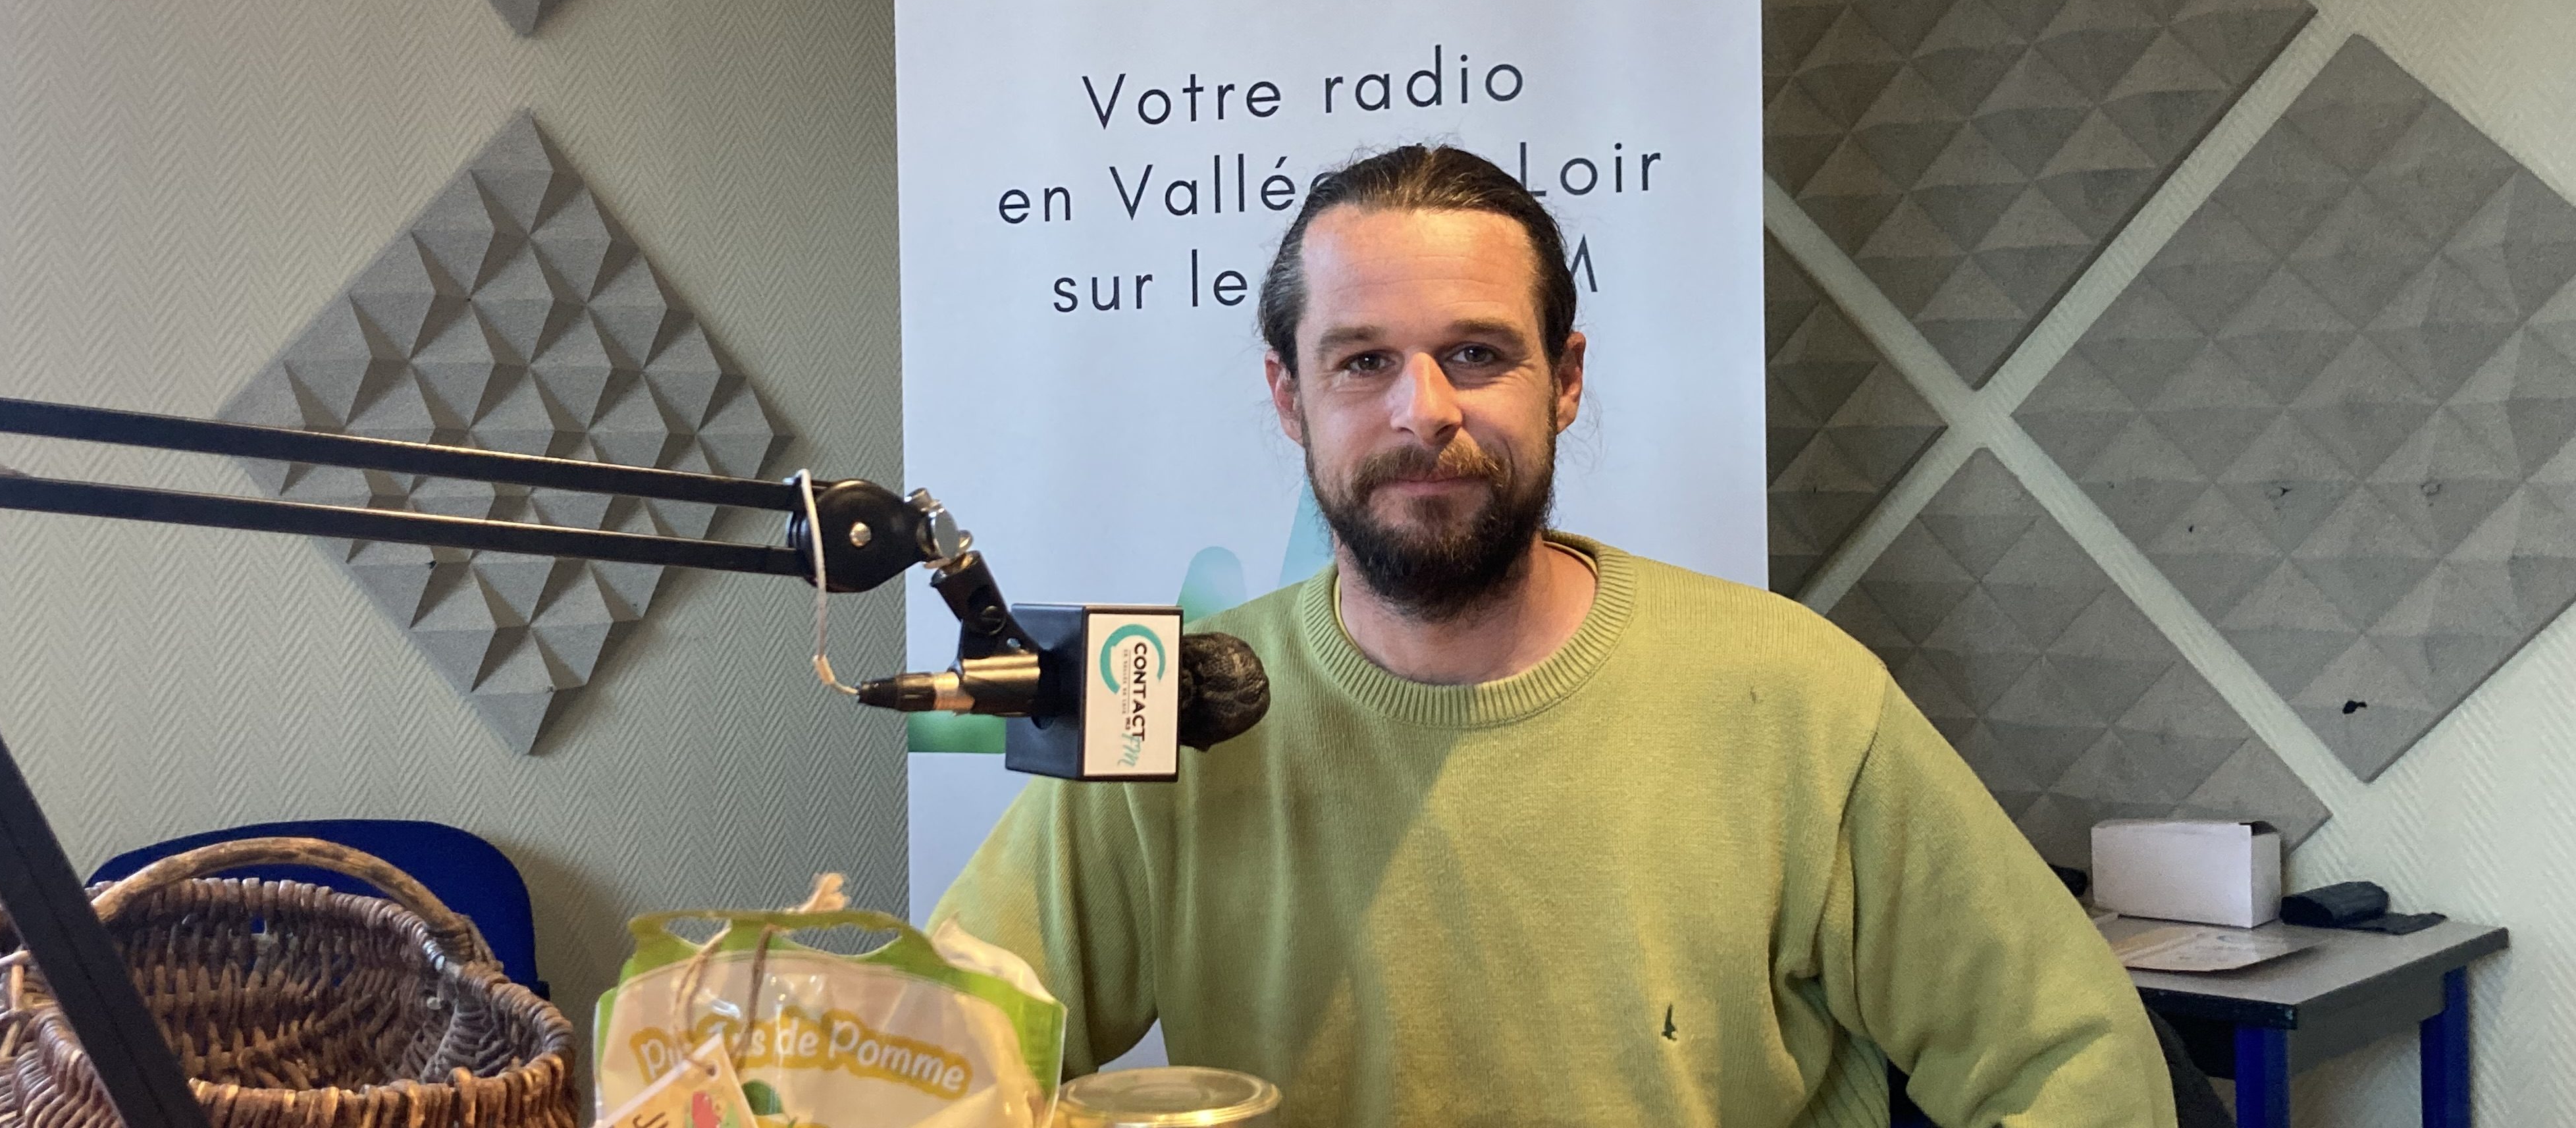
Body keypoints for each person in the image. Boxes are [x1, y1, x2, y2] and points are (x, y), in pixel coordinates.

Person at [931, 145, 2175, 1127]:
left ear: (1565, 380)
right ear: (1288, 396)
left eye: (1476, 354)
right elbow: (934, 1054)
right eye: (1362, 362)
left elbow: (2076, 1069)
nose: (1423, 411)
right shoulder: (1163, 706)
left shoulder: (1793, 697)